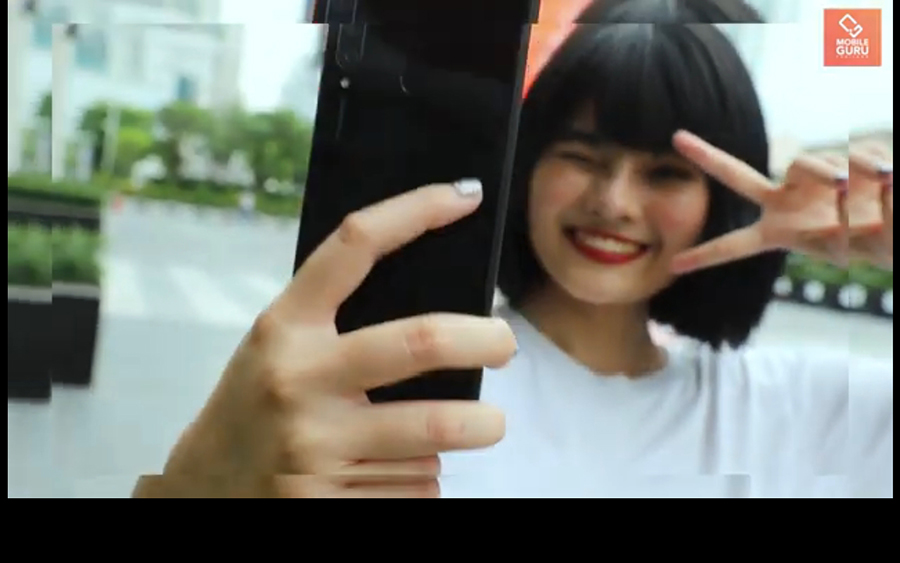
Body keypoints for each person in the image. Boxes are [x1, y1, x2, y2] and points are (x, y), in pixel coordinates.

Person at [133, 0, 893, 498]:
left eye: (665, 173)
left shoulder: (800, 407)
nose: (614, 202)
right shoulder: (391, 373)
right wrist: (201, 481)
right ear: (524, 164)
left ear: (721, 200)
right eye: (583, 156)